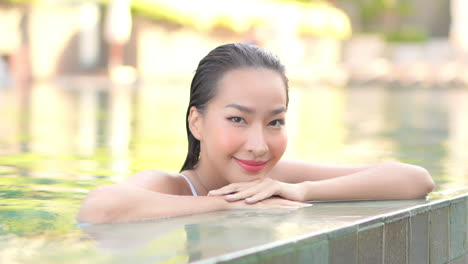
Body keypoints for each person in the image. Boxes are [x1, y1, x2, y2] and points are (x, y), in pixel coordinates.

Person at [77, 43, 435, 224]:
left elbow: (415, 180)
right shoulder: (173, 187)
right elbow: (98, 208)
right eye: (237, 119)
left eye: (275, 122)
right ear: (196, 122)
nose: (259, 145)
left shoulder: (276, 178)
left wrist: (301, 191)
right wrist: (232, 205)